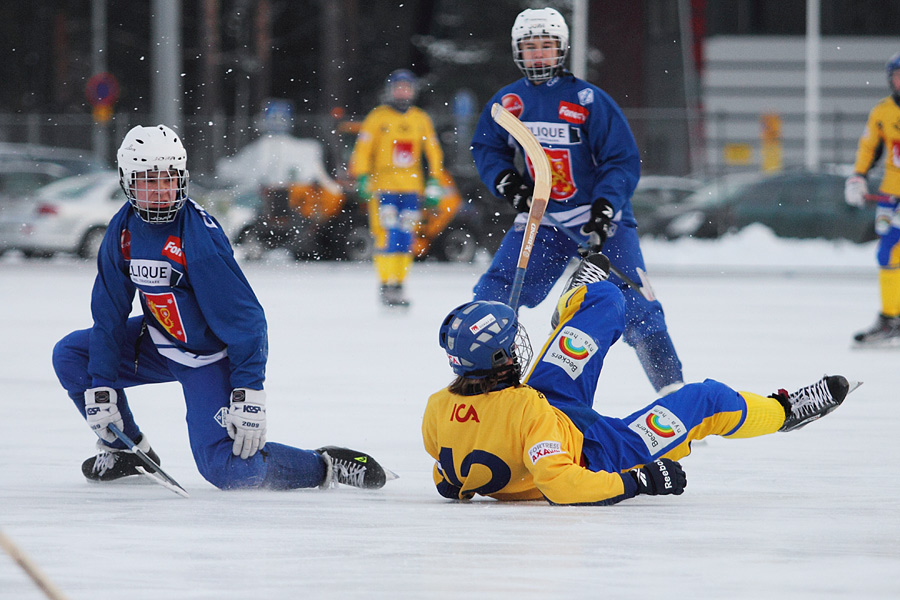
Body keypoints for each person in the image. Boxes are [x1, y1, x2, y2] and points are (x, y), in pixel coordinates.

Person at [52, 124, 389, 491]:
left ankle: (323, 466)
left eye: (169, 179)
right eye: (149, 180)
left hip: (207, 358)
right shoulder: (122, 230)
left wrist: (249, 392)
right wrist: (101, 386)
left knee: (231, 471)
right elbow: (109, 312)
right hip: (158, 343)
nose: (162, 190)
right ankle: (126, 451)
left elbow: (247, 321)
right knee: (71, 355)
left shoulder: (198, 237)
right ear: (127, 182)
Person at [423, 252, 855, 505]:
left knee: (607, 297)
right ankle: (783, 413)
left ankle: (572, 308)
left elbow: (447, 481)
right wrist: (640, 480)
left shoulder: (438, 406)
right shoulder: (526, 412)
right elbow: (560, 481)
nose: (520, 346)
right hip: (596, 449)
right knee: (706, 400)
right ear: (500, 361)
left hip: (537, 407)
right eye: (511, 343)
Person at [470, 7, 683, 394]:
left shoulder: (588, 100)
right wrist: (508, 183)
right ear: (517, 51)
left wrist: (604, 209)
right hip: (544, 218)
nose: (538, 55)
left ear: (562, 48)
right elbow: (487, 147)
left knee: (639, 307)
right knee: (494, 294)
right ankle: (490, 383)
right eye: (530, 47)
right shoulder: (508, 101)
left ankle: (674, 394)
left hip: (599, 217)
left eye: (547, 46)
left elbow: (621, 159)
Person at [349, 69, 453, 308]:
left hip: (411, 188)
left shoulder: (420, 119)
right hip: (383, 188)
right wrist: (362, 176)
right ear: (390, 90)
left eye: (406, 88)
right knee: (387, 235)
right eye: (398, 87)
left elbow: (433, 152)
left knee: (406, 237)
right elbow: (363, 149)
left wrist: (435, 180)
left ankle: (400, 284)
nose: (402, 92)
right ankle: (386, 283)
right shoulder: (378, 117)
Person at [844, 51, 900, 347]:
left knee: (891, 250)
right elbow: (869, 149)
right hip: (891, 194)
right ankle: (891, 319)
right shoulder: (882, 112)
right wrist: (858, 176)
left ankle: (893, 318)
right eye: (897, 75)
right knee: (888, 253)